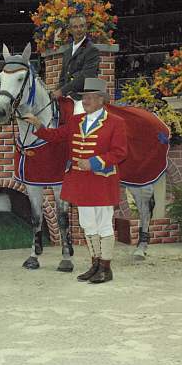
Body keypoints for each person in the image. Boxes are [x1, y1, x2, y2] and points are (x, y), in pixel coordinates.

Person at [23, 78, 127, 284]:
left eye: (89, 97)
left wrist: (95, 162)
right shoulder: (75, 121)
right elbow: (55, 136)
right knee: (87, 224)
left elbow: (119, 153)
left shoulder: (116, 122)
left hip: (101, 181)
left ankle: (106, 268)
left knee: (104, 224)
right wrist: (38, 126)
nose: (85, 101)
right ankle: (95, 264)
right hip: (80, 181)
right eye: (84, 97)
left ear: (101, 100)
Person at [51, 14, 100, 112]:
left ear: (86, 27)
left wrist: (62, 91)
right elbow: (63, 78)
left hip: (83, 98)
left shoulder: (92, 50)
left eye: (82, 26)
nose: (79, 29)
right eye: (75, 27)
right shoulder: (67, 52)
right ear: (70, 30)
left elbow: (85, 76)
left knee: (78, 116)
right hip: (67, 97)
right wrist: (55, 92)